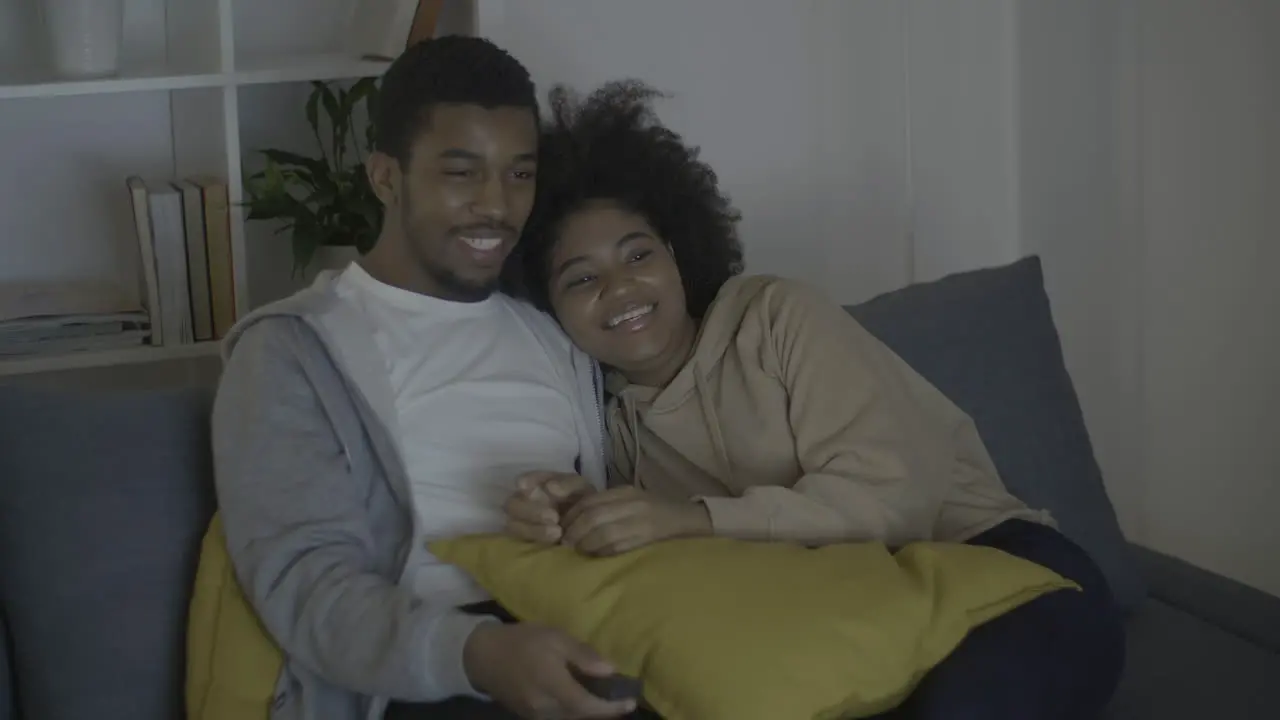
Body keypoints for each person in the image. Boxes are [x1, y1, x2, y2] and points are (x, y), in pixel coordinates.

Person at [503, 80, 1127, 719]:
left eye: (638, 253)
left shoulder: (775, 314)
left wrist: (690, 518)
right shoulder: (608, 423)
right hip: (849, 618)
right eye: (582, 278)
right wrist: (572, 516)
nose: (621, 286)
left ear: (678, 256)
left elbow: (894, 499)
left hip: (998, 572)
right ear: (552, 310)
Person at [211, 38, 642, 720]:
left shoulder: (554, 331)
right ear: (386, 177)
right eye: (461, 173)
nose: (497, 206)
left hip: (586, 637)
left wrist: (576, 510)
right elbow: (305, 585)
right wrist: (481, 654)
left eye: (519, 174)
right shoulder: (293, 351)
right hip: (422, 680)